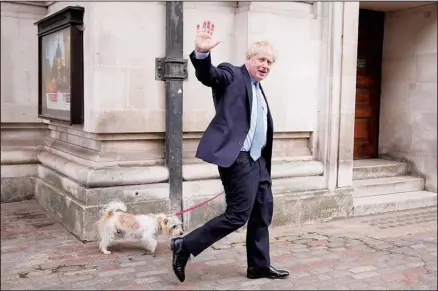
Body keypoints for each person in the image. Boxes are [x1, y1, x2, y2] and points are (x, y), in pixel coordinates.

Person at [170, 20, 290, 283]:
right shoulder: (232, 74)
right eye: (261, 59)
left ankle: (259, 265)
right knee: (238, 214)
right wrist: (202, 54)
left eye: (270, 62)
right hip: (238, 157)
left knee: (262, 210)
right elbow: (209, 75)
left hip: (258, 160)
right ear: (248, 58)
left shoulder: (259, 90)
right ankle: (185, 246)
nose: (265, 65)